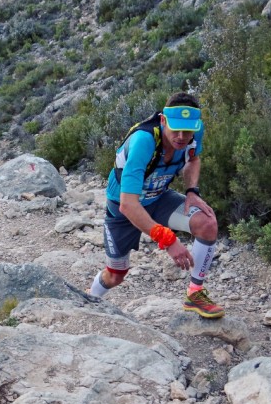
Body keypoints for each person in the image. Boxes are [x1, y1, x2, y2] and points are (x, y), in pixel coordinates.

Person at [88, 92, 224, 318]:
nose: (182, 136)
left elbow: (193, 159)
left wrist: (192, 191)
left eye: (187, 131)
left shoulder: (194, 132)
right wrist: (168, 239)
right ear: (163, 121)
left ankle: (195, 294)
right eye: (175, 129)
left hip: (158, 198)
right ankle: (89, 299)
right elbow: (128, 205)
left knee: (207, 223)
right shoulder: (144, 141)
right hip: (124, 211)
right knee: (116, 275)